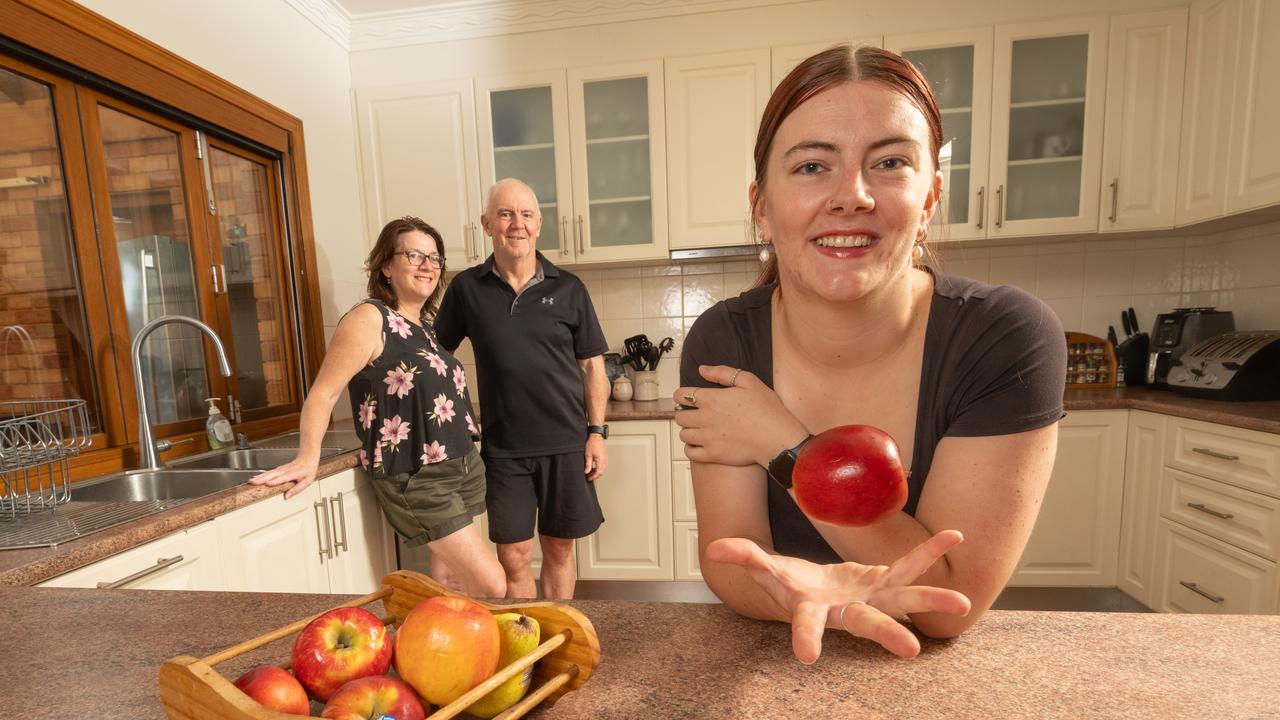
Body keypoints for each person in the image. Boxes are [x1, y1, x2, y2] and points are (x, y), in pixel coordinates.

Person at [672, 45, 1066, 663]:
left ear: (930, 198)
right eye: (810, 167)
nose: (851, 195)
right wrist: (795, 594)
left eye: (888, 162)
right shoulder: (722, 344)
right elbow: (731, 557)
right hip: (777, 660)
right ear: (762, 208)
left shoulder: (1006, 337)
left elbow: (948, 602)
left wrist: (783, 446)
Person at [251, 216, 506, 598]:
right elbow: (323, 393)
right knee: (492, 585)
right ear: (386, 266)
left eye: (435, 258)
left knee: (452, 588)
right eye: (414, 255)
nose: (428, 266)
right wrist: (308, 456)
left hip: (462, 464)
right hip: (420, 475)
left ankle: (442, 656)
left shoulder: (425, 326)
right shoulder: (370, 319)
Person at [434, 178, 611, 601]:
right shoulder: (467, 289)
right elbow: (437, 359)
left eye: (526, 214)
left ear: (539, 224)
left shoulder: (569, 289)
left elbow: (593, 367)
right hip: (504, 448)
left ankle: (556, 635)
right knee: (512, 555)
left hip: (567, 443)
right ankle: (524, 642)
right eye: (506, 214)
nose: (517, 224)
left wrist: (596, 432)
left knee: (559, 548)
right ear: (487, 223)